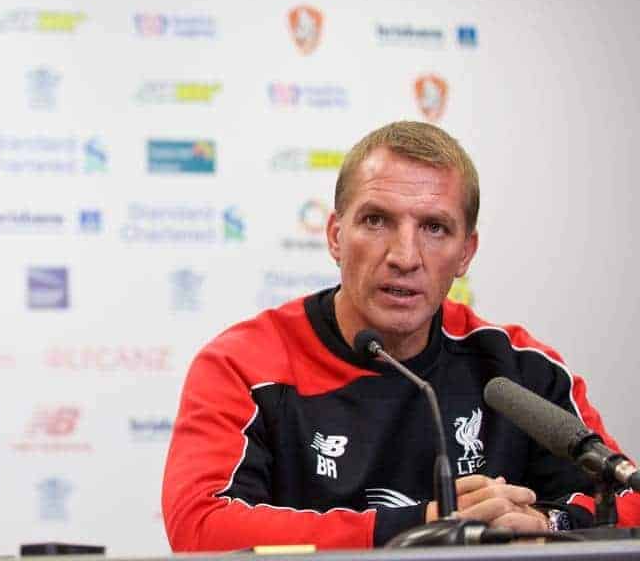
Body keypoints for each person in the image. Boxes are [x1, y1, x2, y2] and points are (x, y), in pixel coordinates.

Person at [162, 120, 638, 549]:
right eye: (376, 220)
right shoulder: (245, 364)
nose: (405, 256)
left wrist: (543, 525)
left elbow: (624, 499)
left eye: (434, 228)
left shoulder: (519, 369)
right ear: (334, 235)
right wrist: (421, 527)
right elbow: (201, 527)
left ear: (466, 253)